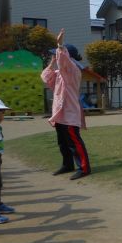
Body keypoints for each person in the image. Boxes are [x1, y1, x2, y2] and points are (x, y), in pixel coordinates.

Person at [41, 30, 91, 180]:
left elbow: (64, 61)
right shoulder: (60, 72)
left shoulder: (73, 70)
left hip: (69, 112)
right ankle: (67, 164)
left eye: (57, 55)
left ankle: (84, 167)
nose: (55, 57)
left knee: (74, 141)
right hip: (59, 112)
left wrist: (60, 45)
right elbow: (45, 76)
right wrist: (51, 61)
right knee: (63, 142)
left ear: (68, 56)